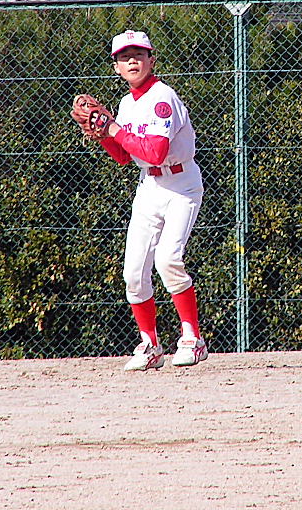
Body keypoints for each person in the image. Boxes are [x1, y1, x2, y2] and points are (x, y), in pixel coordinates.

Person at [72, 30, 207, 371]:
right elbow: (123, 156)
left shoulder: (163, 97)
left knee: (168, 259)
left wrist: (114, 130)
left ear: (151, 60)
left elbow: (156, 151)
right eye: (124, 56)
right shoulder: (126, 104)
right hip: (150, 186)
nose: (132, 60)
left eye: (139, 54)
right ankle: (150, 345)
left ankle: (192, 339)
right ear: (116, 67)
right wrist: (103, 135)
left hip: (181, 185)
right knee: (133, 272)